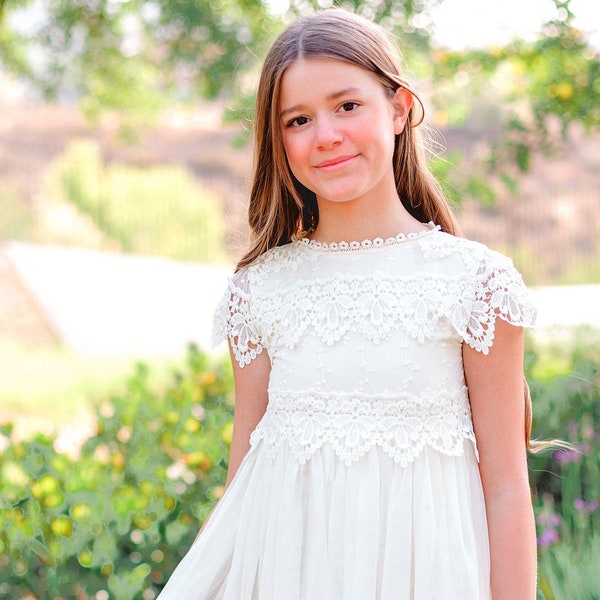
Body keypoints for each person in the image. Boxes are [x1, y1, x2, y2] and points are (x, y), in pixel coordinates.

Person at [158, 8, 538, 599]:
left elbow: (508, 488)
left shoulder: (476, 284)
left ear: (400, 108)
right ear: (278, 140)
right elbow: (245, 481)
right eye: (298, 119)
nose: (326, 135)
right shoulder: (259, 291)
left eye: (347, 106)